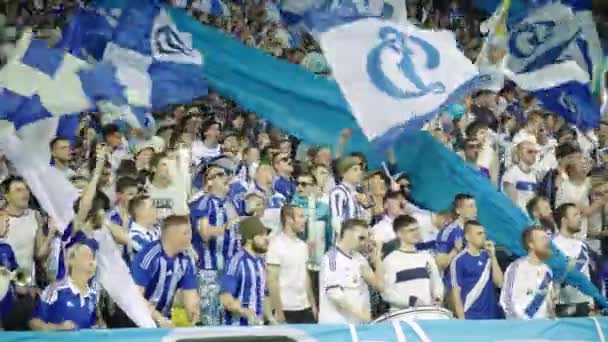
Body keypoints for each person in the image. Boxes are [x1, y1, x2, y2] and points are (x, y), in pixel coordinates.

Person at [130, 215, 199, 328]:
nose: (190, 238)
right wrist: (158, 318)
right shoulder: (149, 256)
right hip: (136, 320)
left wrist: (193, 312)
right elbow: (135, 298)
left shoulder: (187, 259)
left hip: (163, 319)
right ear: (172, 235)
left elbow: (190, 297)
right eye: (186, 233)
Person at [189, 165, 235, 326]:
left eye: (226, 173)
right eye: (220, 174)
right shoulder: (203, 202)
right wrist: (225, 228)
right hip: (209, 271)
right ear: (209, 181)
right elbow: (204, 232)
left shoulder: (230, 203)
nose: (226, 176)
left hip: (229, 271)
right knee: (211, 320)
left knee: (229, 320)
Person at [318, 219, 384, 324]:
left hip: (357, 325)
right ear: (347, 234)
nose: (364, 243)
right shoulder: (332, 258)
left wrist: (377, 256)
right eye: (361, 238)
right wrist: (362, 316)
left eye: (366, 239)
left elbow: (379, 285)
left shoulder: (359, 258)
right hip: (337, 326)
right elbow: (335, 295)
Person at [220, 217, 276, 326]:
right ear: (250, 238)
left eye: (267, 235)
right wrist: (244, 311)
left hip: (257, 330)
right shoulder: (236, 262)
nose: (267, 239)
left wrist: (270, 319)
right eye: (262, 235)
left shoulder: (261, 263)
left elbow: (264, 294)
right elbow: (226, 299)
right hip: (237, 331)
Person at [30, 243, 99, 330]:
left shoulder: (93, 296)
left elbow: (93, 326)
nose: (92, 262)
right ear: (71, 260)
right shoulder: (56, 290)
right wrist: (58, 328)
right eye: (86, 256)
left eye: (92, 258)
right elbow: (34, 323)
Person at [267, 206, 317, 324]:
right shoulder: (275, 245)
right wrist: (278, 311)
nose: (304, 220)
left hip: (305, 308)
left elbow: (305, 276)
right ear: (289, 219)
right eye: (300, 216)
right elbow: (271, 281)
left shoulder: (302, 245)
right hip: (286, 308)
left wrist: (312, 304)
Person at [382, 215, 443, 310]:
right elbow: (386, 292)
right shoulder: (390, 260)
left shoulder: (426, 256)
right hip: (403, 316)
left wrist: (438, 297)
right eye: (411, 230)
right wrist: (410, 301)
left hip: (428, 313)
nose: (416, 233)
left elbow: (436, 281)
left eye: (417, 229)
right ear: (399, 234)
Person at [450, 221, 503, 319]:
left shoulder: (488, 256)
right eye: (479, 234)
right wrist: (462, 320)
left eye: (484, 233)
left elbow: (499, 283)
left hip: (493, 316)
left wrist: (493, 257)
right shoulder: (459, 260)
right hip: (471, 316)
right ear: (467, 237)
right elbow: (456, 294)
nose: (483, 236)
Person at [500, 227, 556, 319]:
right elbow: (507, 301)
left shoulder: (548, 271)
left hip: (544, 329)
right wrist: (524, 323)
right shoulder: (516, 268)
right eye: (543, 239)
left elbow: (548, 308)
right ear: (531, 245)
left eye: (547, 238)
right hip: (521, 329)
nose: (547, 242)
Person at [552, 203, 593, 307]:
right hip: (564, 306)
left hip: (586, 305)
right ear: (564, 220)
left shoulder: (582, 245)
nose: (580, 218)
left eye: (579, 214)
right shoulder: (552, 245)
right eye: (575, 215)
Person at [435, 194, 475, 272]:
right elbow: (439, 265)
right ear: (458, 210)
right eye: (471, 206)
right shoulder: (449, 231)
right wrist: (455, 250)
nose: (475, 210)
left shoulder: (474, 229)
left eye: (475, 206)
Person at [329, 157, 366, 237]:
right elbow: (336, 221)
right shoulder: (338, 192)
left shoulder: (358, 194)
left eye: (360, 169)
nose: (359, 172)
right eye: (355, 170)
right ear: (343, 173)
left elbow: (363, 220)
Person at [502, 141, 539, 211]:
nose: (534, 155)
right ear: (520, 153)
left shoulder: (534, 175)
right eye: (529, 152)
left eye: (535, 152)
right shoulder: (511, 174)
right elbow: (510, 203)